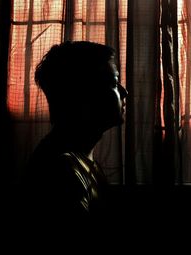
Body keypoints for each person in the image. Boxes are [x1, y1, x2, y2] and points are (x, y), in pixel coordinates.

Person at [20, 41, 127, 235]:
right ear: (84, 94)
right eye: (113, 82)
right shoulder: (63, 171)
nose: (124, 91)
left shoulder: (79, 160)